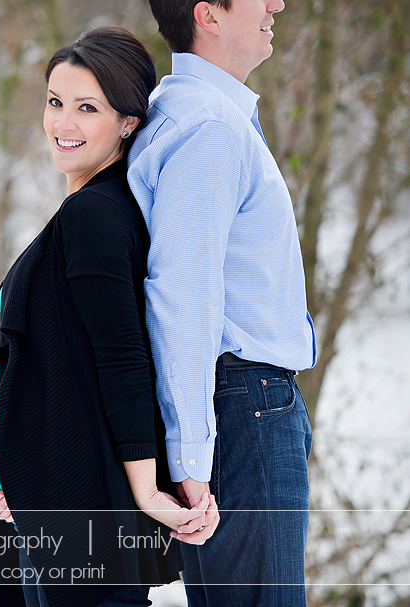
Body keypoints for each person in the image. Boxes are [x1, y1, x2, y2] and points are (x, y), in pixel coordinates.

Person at [0, 27, 220, 607]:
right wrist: (7, 471)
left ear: (128, 121)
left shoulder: (98, 216)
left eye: (87, 108)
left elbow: (123, 358)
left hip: (82, 518)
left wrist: (148, 493)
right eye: (55, 103)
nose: (63, 124)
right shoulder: (89, 209)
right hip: (47, 499)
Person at [126, 1, 316, 605]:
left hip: (240, 408)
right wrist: (190, 457)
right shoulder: (209, 128)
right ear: (207, 13)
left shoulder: (196, 115)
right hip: (244, 410)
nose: (276, 4)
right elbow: (182, 296)